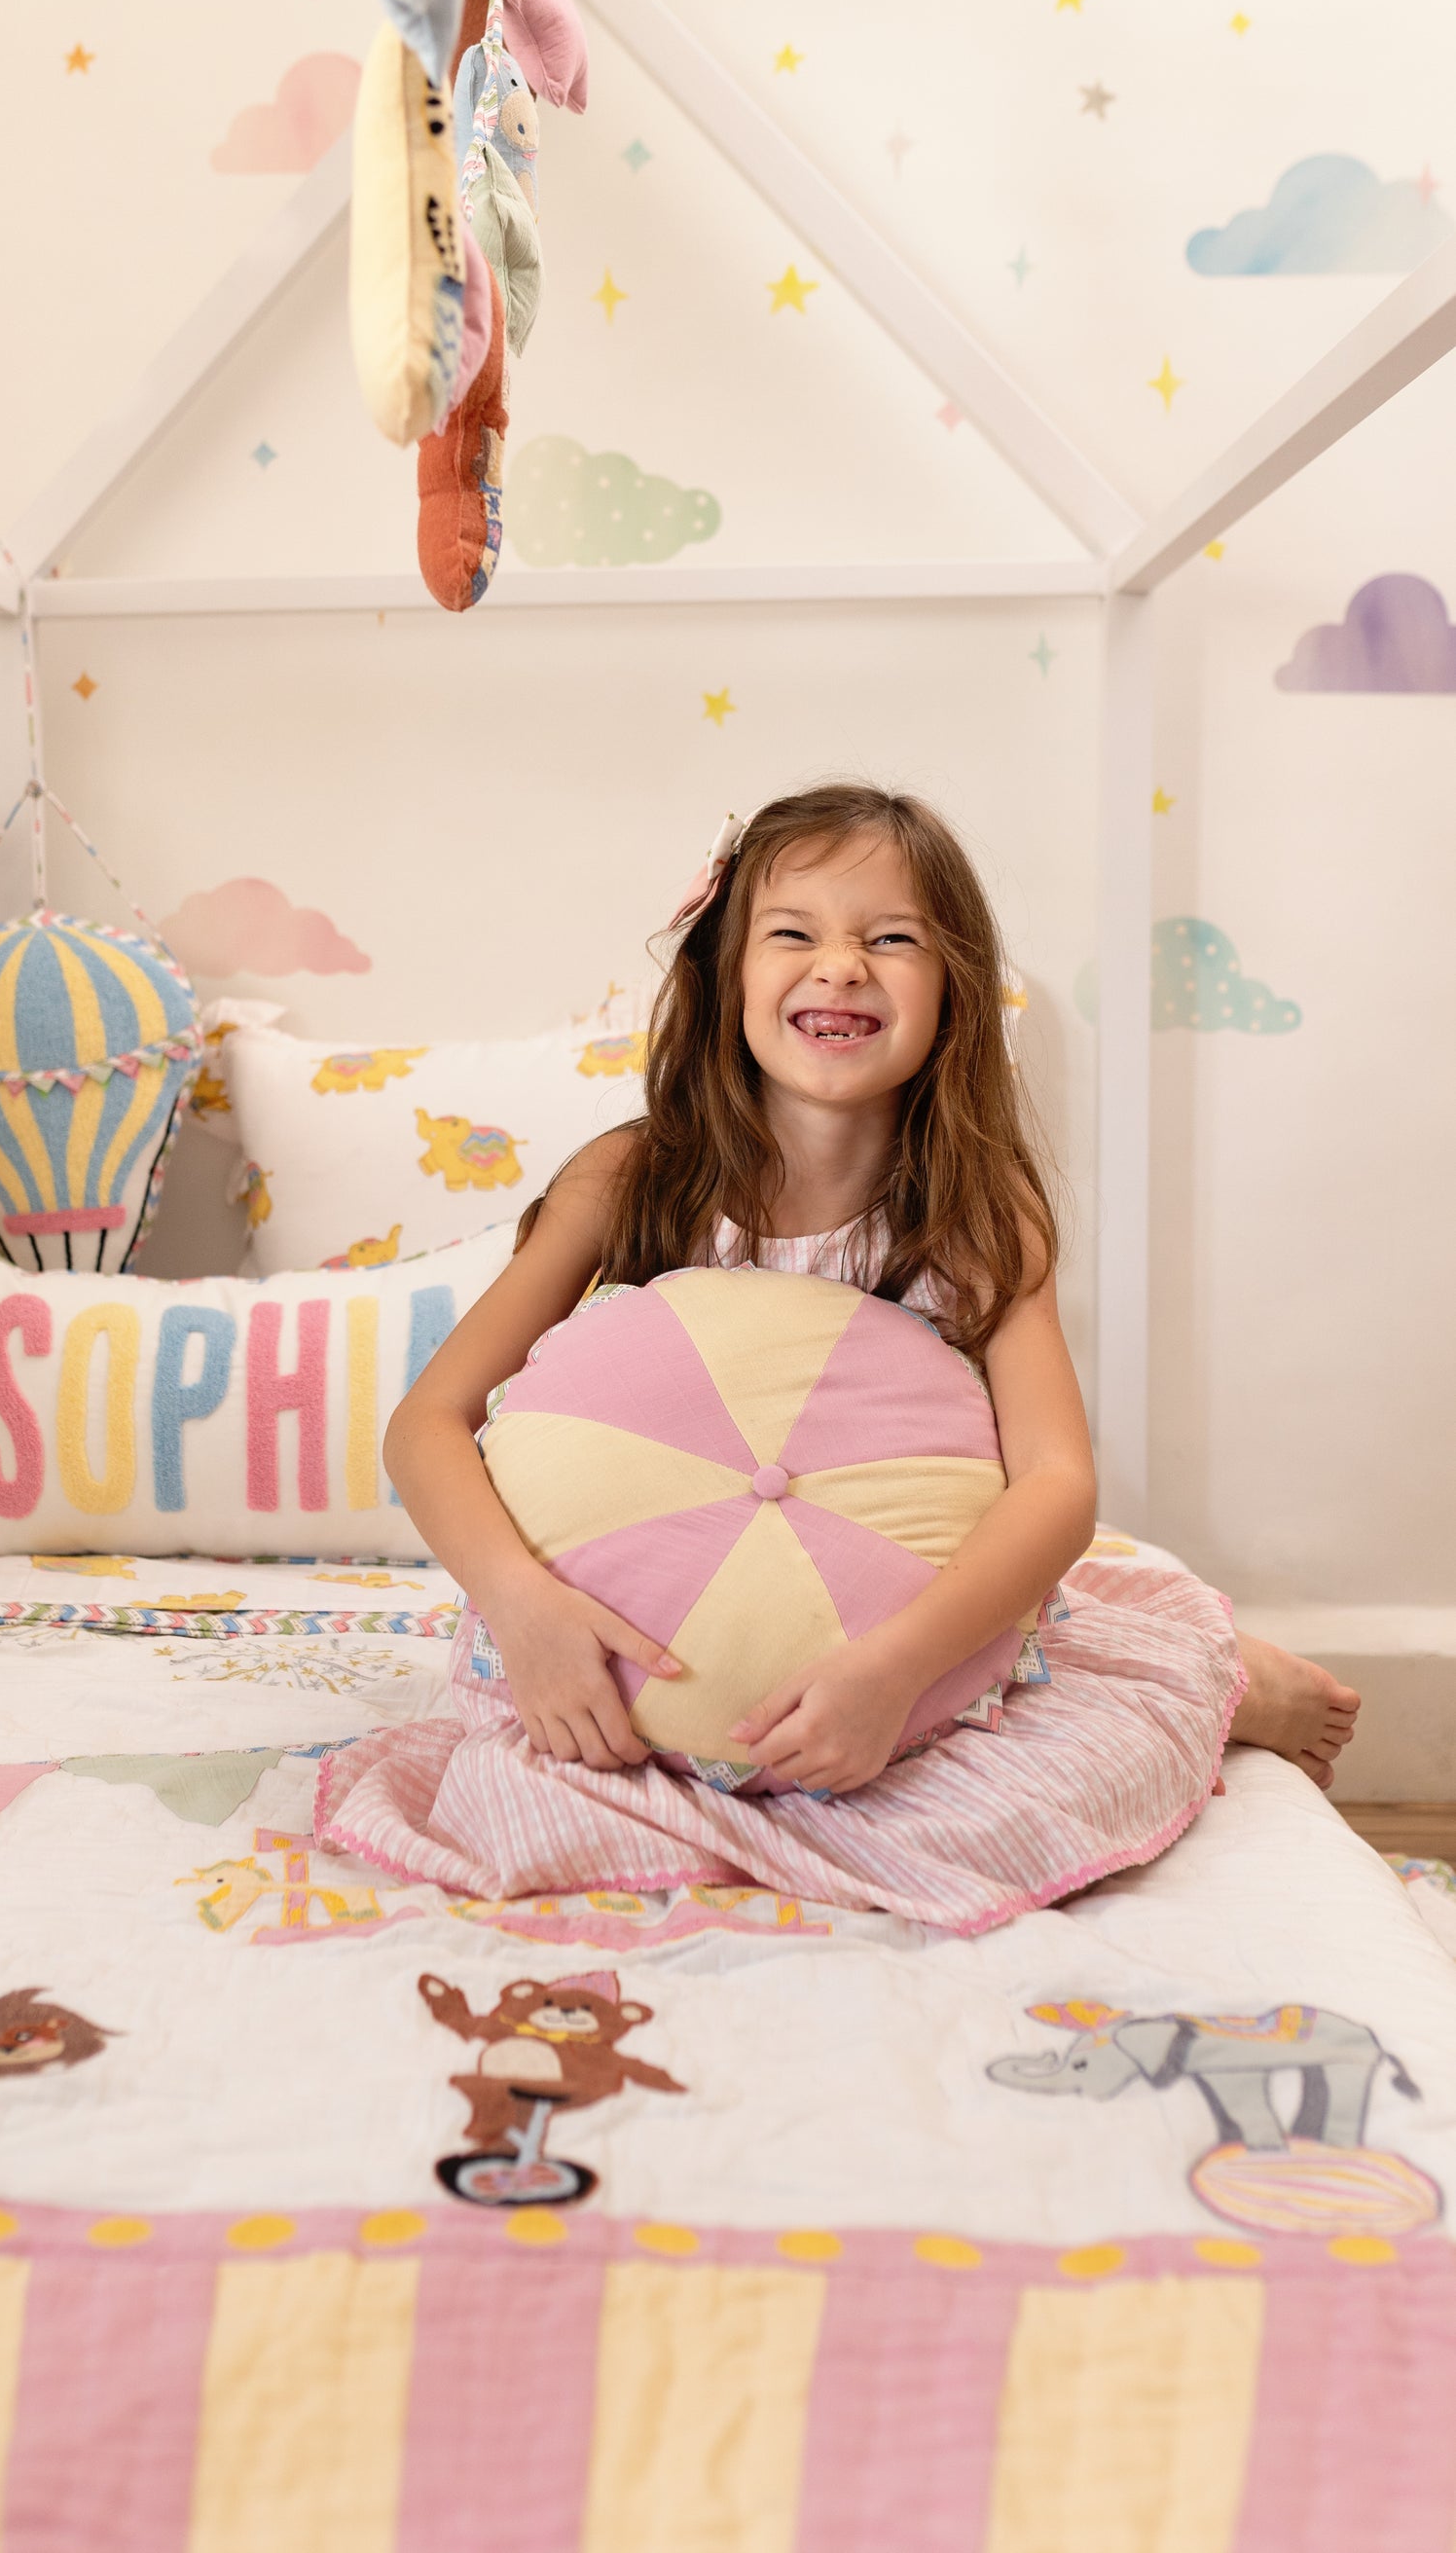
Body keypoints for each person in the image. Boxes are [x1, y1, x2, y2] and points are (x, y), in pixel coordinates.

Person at [317, 784, 1359, 1931]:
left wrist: (894, 1672)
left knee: (1041, 1769)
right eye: (792, 932)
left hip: (892, 1631)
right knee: (537, 1805)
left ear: (953, 989)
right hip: (612, 1640)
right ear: (725, 973)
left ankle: (1216, 1683)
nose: (841, 967)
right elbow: (427, 1424)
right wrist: (522, 1611)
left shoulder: (974, 1215)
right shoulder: (629, 1180)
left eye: (891, 938)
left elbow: (1056, 1484)